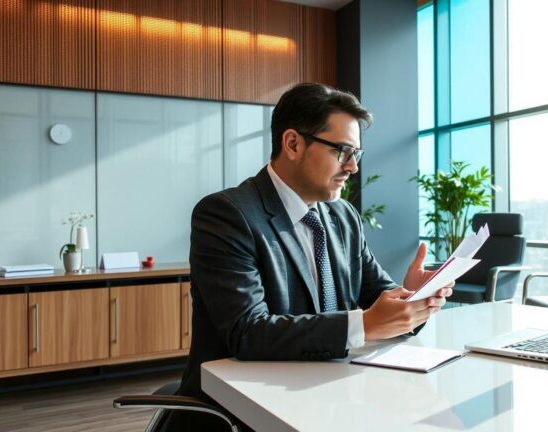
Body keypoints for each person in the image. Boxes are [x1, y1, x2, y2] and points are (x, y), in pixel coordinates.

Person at [164, 83, 453, 431]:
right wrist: (364, 324)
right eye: (342, 151)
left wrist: (414, 298)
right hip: (239, 413)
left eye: (356, 154)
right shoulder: (228, 214)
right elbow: (248, 332)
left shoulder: (343, 217)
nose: (353, 167)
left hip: (330, 399)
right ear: (292, 144)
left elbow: (376, 295)